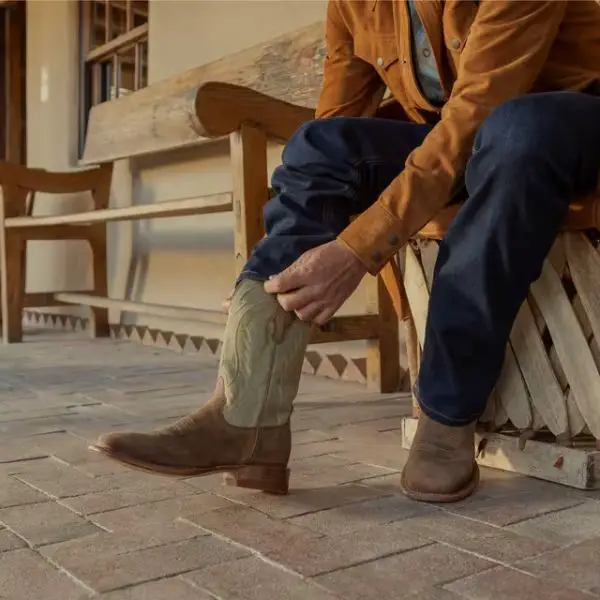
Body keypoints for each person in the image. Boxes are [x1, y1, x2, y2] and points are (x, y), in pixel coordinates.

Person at [91, 0, 600, 502]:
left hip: (563, 125)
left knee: (516, 130)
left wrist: (359, 250)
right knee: (319, 146)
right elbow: (335, 124)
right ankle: (248, 413)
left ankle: (446, 414)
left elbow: (476, 115)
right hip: (465, 142)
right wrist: (278, 268)